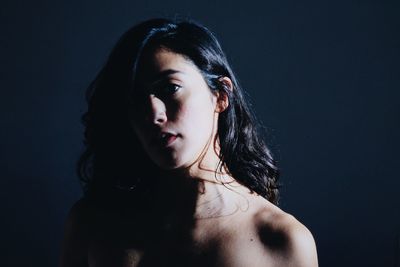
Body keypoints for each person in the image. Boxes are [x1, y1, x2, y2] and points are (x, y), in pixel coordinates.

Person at [60, 18, 318, 267]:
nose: (154, 115)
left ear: (220, 95)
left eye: (170, 88)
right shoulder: (93, 225)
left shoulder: (280, 241)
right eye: (136, 100)